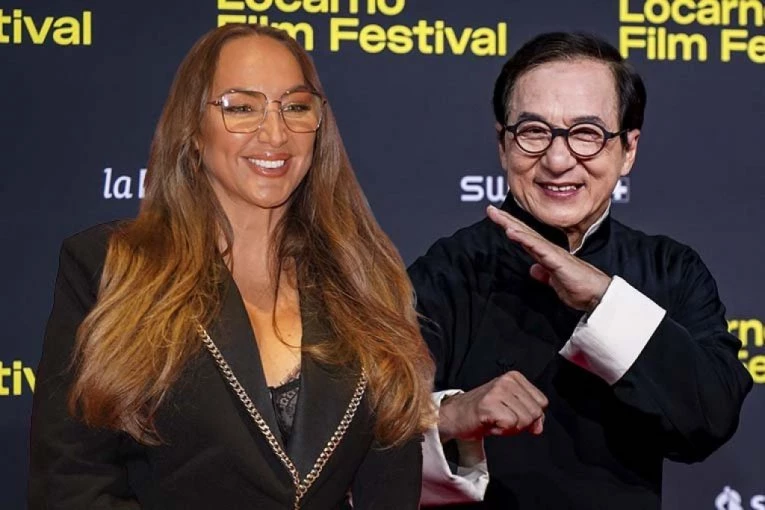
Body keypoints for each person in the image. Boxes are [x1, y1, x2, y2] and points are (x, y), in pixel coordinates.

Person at [29, 23, 434, 510]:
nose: (275, 133)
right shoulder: (111, 268)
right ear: (193, 130)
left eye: (295, 107)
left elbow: (390, 486)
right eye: (242, 107)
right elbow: (72, 485)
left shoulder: (367, 281)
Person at [410, 32, 753, 509]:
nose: (557, 159)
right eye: (533, 131)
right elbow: (362, 431)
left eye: (587, 133)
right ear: (502, 145)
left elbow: (709, 419)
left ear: (628, 150)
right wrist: (448, 415)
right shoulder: (448, 271)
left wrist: (604, 300)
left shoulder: (671, 270)